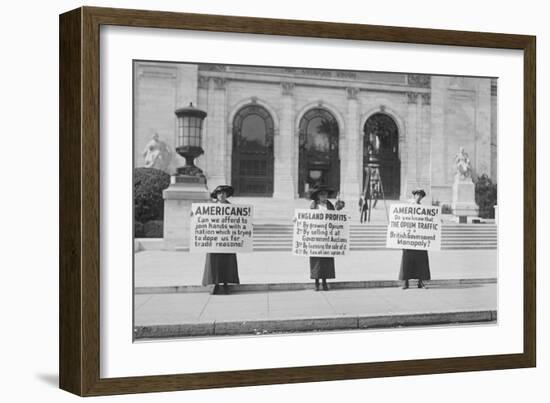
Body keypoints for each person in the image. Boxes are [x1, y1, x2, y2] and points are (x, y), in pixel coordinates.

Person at [201, 185, 240, 294]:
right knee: (214, 262)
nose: (221, 195)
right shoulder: (210, 208)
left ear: (227, 195)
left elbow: (239, 222)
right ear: (216, 196)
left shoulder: (232, 208)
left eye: (223, 193)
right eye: (219, 193)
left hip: (227, 240)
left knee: (227, 262)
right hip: (214, 240)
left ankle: (226, 284)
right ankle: (215, 284)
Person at [308, 185, 345, 291]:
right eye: (322, 194)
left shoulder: (329, 204)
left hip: (327, 237)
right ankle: (316, 283)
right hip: (316, 237)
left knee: (326, 261)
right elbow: (307, 217)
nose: (324, 196)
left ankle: (324, 283)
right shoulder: (314, 205)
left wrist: (340, 209)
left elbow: (335, 216)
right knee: (316, 261)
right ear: (318, 196)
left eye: (325, 194)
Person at [399, 189, 431, 289]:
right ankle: (405, 282)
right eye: (417, 194)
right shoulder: (407, 205)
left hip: (419, 239)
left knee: (421, 261)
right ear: (414, 195)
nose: (419, 196)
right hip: (409, 238)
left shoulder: (423, 208)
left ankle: (421, 281)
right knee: (406, 261)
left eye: (421, 195)